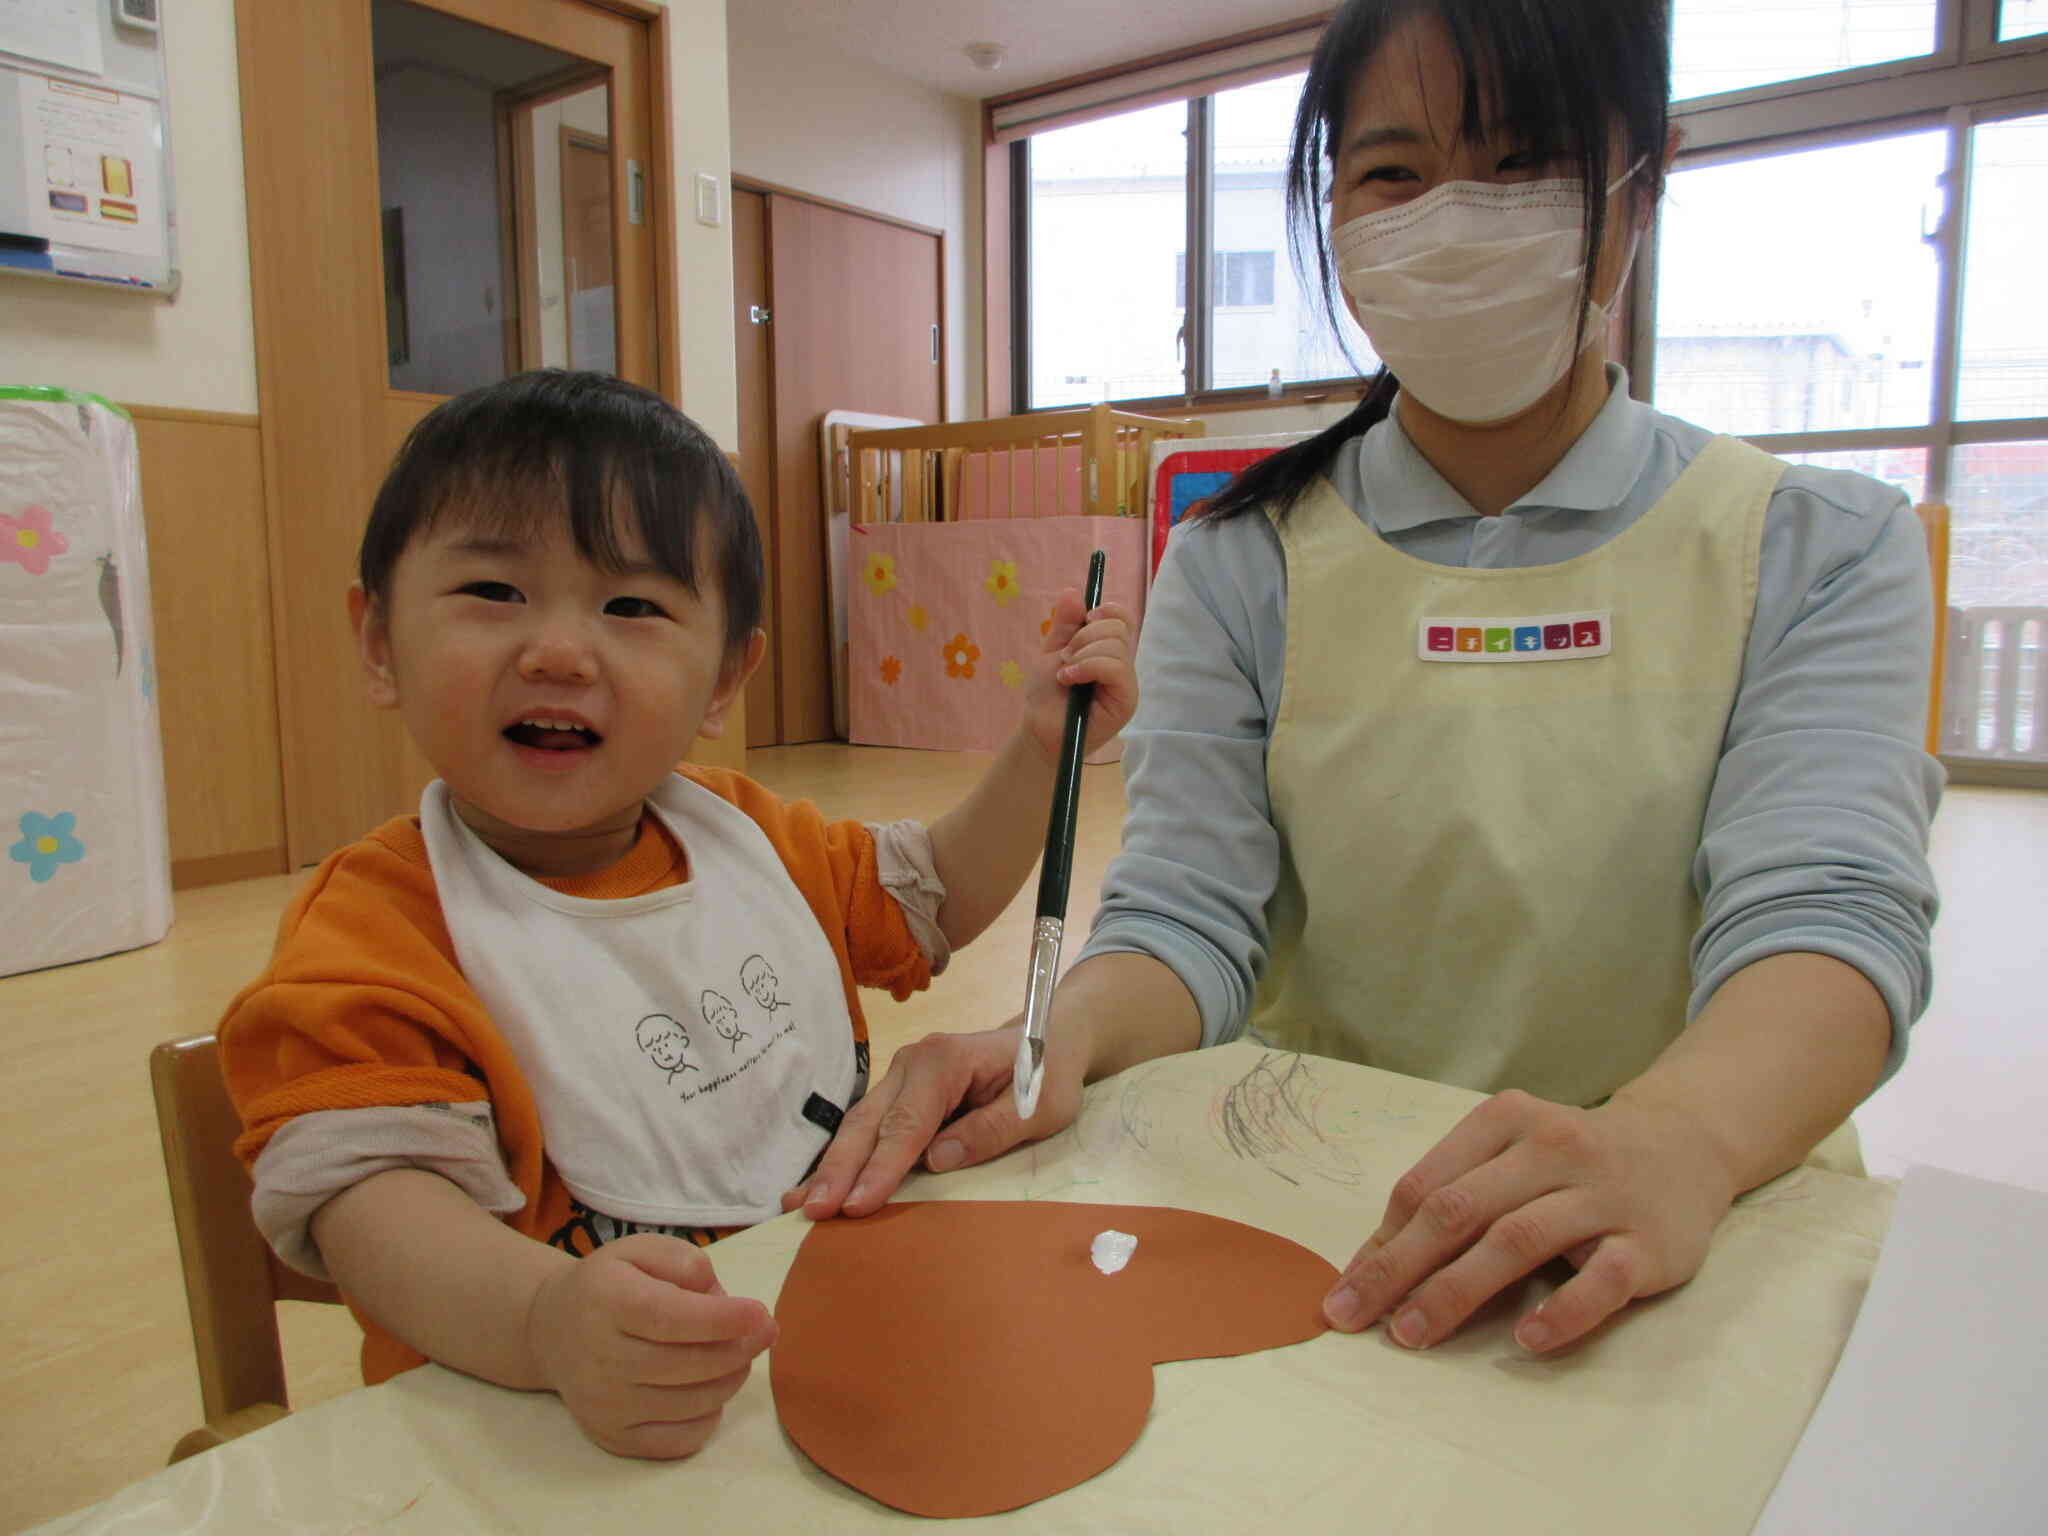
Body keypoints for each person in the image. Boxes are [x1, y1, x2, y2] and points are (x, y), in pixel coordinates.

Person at [794, 0, 1942, 1363]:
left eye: (1520, 163)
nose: (1454, 218)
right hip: (1320, 1214)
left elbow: (1827, 917)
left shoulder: (1814, 543)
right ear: (1332, 207)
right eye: (1394, 173)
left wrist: (1678, 1138)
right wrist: (1062, 1034)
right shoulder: (1240, 561)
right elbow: (1191, 915)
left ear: (1647, 177)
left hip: (1693, 1210)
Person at [217, 369, 1135, 1459]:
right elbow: (372, 1208)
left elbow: (932, 895)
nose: (558, 651)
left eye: (632, 608)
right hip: (530, 1431)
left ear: (723, 682)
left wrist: (1042, 753)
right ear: (378, 642)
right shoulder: (374, 936)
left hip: (817, 1365)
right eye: (493, 593)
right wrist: (540, 1323)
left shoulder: (749, 843)